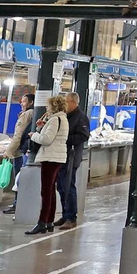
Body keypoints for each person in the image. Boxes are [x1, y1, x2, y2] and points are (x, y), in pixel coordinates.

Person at [28, 94, 70, 235]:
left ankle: (42, 222)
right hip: (57, 157)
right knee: (50, 190)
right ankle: (49, 221)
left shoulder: (54, 120)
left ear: (54, 106)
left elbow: (46, 140)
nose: (46, 108)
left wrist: (33, 135)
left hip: (51, 158)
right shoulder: (62, 119)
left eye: (48, 105)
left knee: (46, 191)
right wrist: (41, 127)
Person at [57, 91, 90, 230]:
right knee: (61, 186)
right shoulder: (66, 116)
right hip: (62, 156)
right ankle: (65, 214)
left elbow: (84, 136)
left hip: (71, 156)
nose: (64, 104)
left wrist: (65, 139)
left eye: (66, 101)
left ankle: (71, 217)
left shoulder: (80, 117)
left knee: (68, 186)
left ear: (73, 102)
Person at [3, 99, 36, 216]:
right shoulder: (32, 114)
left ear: (31, 102)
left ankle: (18, 204)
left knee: (19, 181)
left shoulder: (27, 114)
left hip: (20, 152)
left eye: (24, 101)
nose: (21, 103)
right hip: (21, 151)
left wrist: (8, 151)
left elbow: (18, 135)